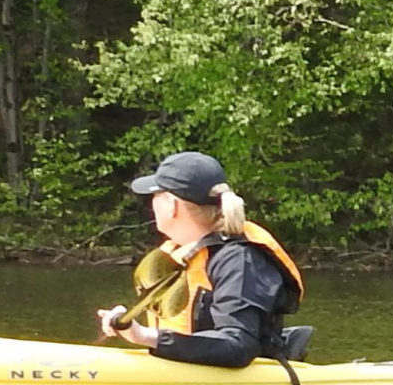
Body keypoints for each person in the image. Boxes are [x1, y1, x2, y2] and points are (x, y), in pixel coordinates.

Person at [96, 152, 306, 367]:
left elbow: (238, 346)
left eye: (156, 195)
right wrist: (128, 325)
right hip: (186, 376)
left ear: (171, 205)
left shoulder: (239, 261)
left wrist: (147, 337)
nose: (152, 204)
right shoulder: (180, 251)